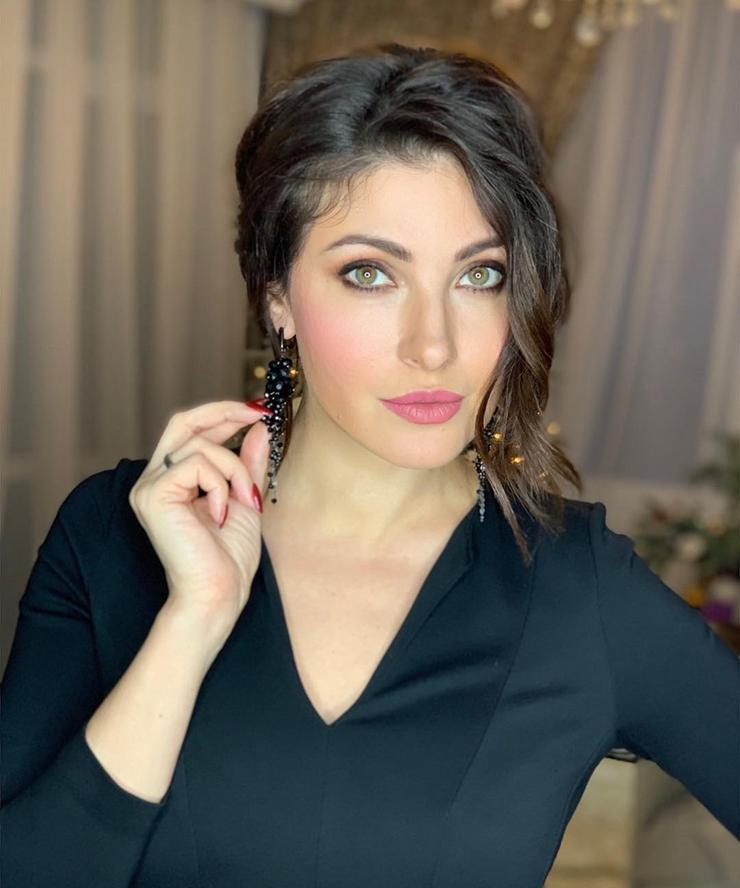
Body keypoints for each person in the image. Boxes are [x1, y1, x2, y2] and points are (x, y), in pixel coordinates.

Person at [1, 42, 737, 888]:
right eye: (370, 274)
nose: (434, 345)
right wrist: (192, 622)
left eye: (480, 275)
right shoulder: (111, 534)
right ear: (277, 296)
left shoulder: (581, 589)